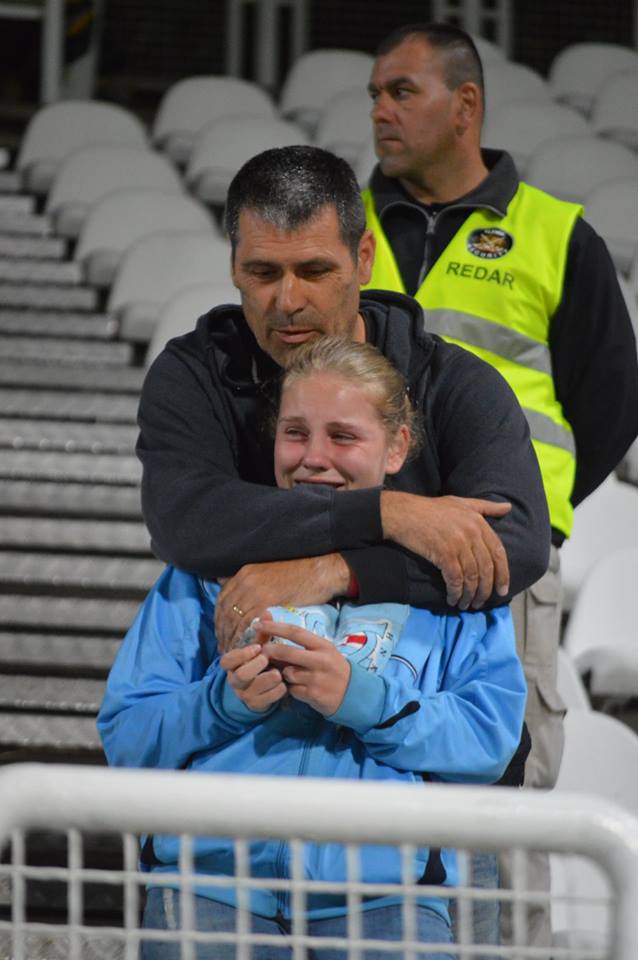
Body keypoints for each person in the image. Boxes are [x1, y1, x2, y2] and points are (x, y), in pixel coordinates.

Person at [98, 336, 528, 959]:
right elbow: (128, 732)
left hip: (388, 896)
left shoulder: (448, 585)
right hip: (212, 884)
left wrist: (366, 700)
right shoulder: (207, 572)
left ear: (397, 448)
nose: (314, 459)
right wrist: (223, 702)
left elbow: (490, 739)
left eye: (344, 437)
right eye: (295, 433)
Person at [362, 22, 638, 945]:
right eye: (374, 93)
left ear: (465, 104)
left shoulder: (559, 234)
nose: (380, 110)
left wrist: (530, 512)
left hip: (506, 567)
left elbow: (608, 407)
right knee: (364, 777)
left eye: (402, 91)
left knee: (506, 794)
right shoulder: (339, 230)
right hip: (366, 547)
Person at [136, 144, 550, 660]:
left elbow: (517, 545)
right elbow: (186, 520)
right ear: (235, 267)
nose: (287, 302)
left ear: (364, 259)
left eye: (314, 271)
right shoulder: (192, 374)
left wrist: (336, 572)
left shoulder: (456, 382)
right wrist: (388, 513)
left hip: (424, 703)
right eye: (263, 273)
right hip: (237, 701)